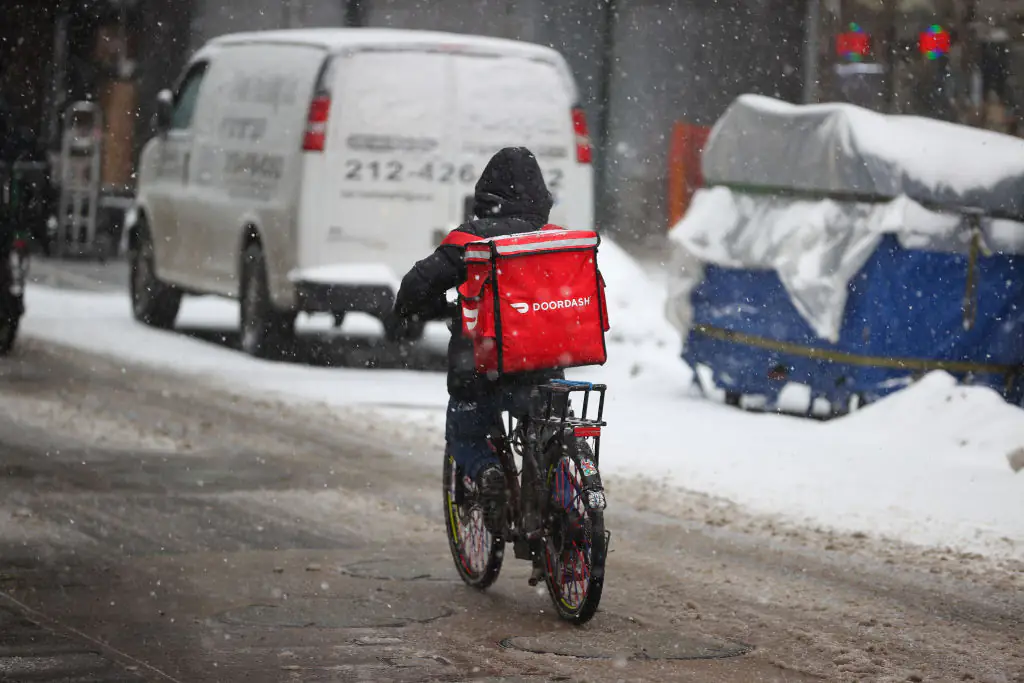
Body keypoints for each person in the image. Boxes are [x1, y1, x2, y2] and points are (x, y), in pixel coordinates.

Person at [386, 147, 564, 531]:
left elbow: (416, 287)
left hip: (485, 370)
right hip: (547, 365)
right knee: (551, 429)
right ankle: (566, 498)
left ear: (486, 195)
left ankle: (486, 473)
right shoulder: (556, 241)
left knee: (465, 429)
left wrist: (411, 311)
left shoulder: (471, 240)